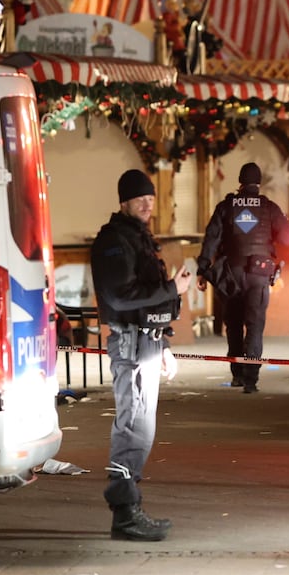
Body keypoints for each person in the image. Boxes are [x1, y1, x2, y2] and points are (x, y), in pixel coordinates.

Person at [90, 168, 194, 541]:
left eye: (151, 198)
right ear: (124, 202)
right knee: (133, 426)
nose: (147, 204)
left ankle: (129, 504)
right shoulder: (114, 241)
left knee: (142, 427)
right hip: (131, 344)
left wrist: (163, 345)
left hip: (146, 342)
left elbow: (145, 296)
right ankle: (124, 512)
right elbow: (121, 296)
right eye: (140, 199)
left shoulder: (139, 238)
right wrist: (172, 287)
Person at [200, 163, 289, 393]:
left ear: (240, 182)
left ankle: (237, 375)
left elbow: (211, 237)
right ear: (259, 184)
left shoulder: (226, 206)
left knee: (233, 325)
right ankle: (251, 380)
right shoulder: (269, 207)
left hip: (230, 274)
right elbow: (288, 238)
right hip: (258, 274)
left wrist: (202, 269)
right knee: (254, 326)